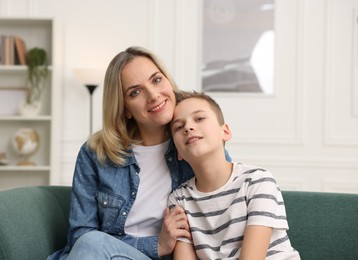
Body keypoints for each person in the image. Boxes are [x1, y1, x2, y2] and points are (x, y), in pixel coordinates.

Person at [49, 47, 230, 260]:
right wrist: (157, 245)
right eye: (135, 92)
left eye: (156, 80)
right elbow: (81, 237)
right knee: (90, 243)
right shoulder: (96, 153)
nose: (153, 95)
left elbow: (225, 216)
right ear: (124, 107)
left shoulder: (197, 142)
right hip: (104, 256)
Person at [168, 91, 300, 259]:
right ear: (178, 151)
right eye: (179, 127)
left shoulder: (257, 181)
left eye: (199, 118)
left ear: (226, 132)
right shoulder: (179, 199)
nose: (188, 127)